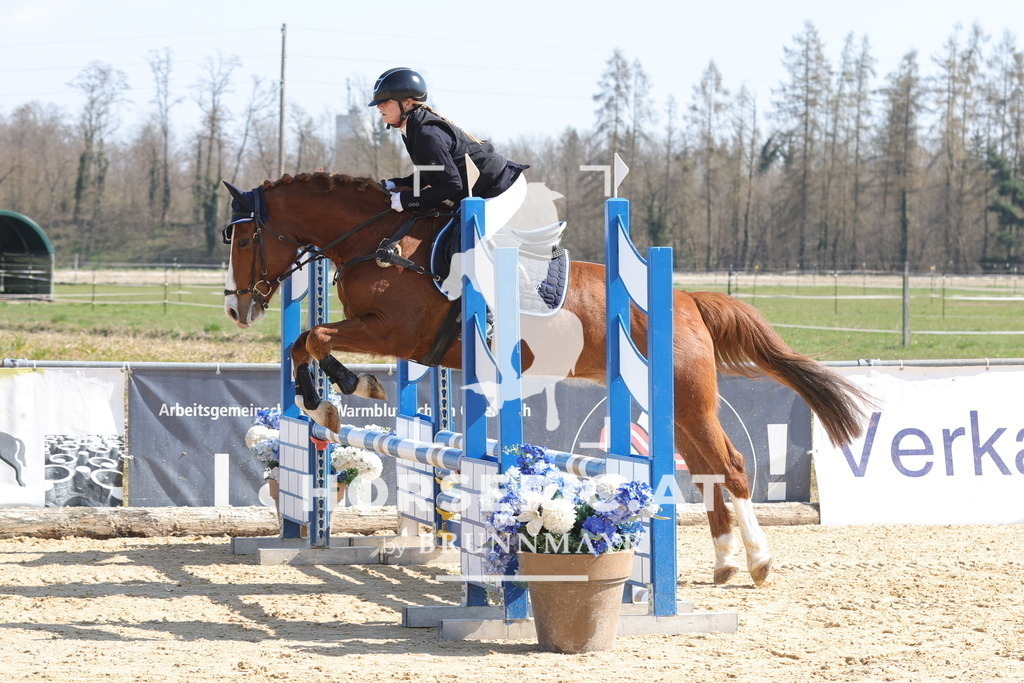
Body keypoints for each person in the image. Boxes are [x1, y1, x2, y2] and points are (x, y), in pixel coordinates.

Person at [368, 67, 529, 227]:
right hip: (481, 193)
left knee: (470, 240)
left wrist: (408, 200)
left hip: (502, 189)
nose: (378, 107)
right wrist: (397, 183)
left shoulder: (427, 134)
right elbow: (432, 171)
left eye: (385, 101)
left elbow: (452, 185)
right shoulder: (411, 130)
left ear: (408, 103)